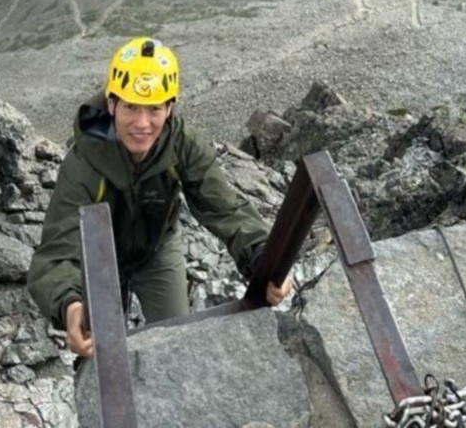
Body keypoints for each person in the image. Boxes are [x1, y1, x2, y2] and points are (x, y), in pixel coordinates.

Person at [27, 36, 292, 356]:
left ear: (170, 107)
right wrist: (70, 305)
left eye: (154, 109)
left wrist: (265, 258)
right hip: (97, 263)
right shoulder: (84, 161)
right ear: (111, 104)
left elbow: (226, 209)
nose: (142, 123)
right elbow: (57, 251)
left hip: (156, 249)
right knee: (99, 353)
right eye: (130, 107)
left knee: (177, 344)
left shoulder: (182, 145)